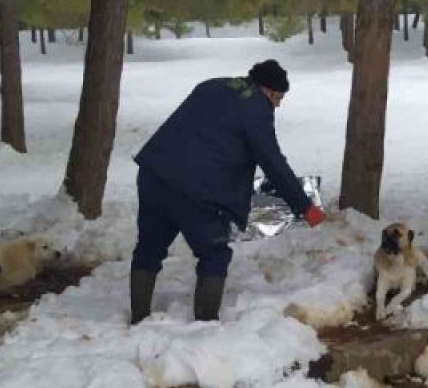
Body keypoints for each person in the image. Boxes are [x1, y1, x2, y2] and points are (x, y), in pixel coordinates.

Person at [129, 60, 325, 324]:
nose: (278, 105)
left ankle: (139, 319)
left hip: (155, 173)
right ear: (267, 90)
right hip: (196, 190)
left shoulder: (212, 86)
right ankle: (206, 325)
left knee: (149, 248)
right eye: (278, 98)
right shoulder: (256, 109)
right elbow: (272, 161)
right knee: (214, 254)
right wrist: (304, 206)